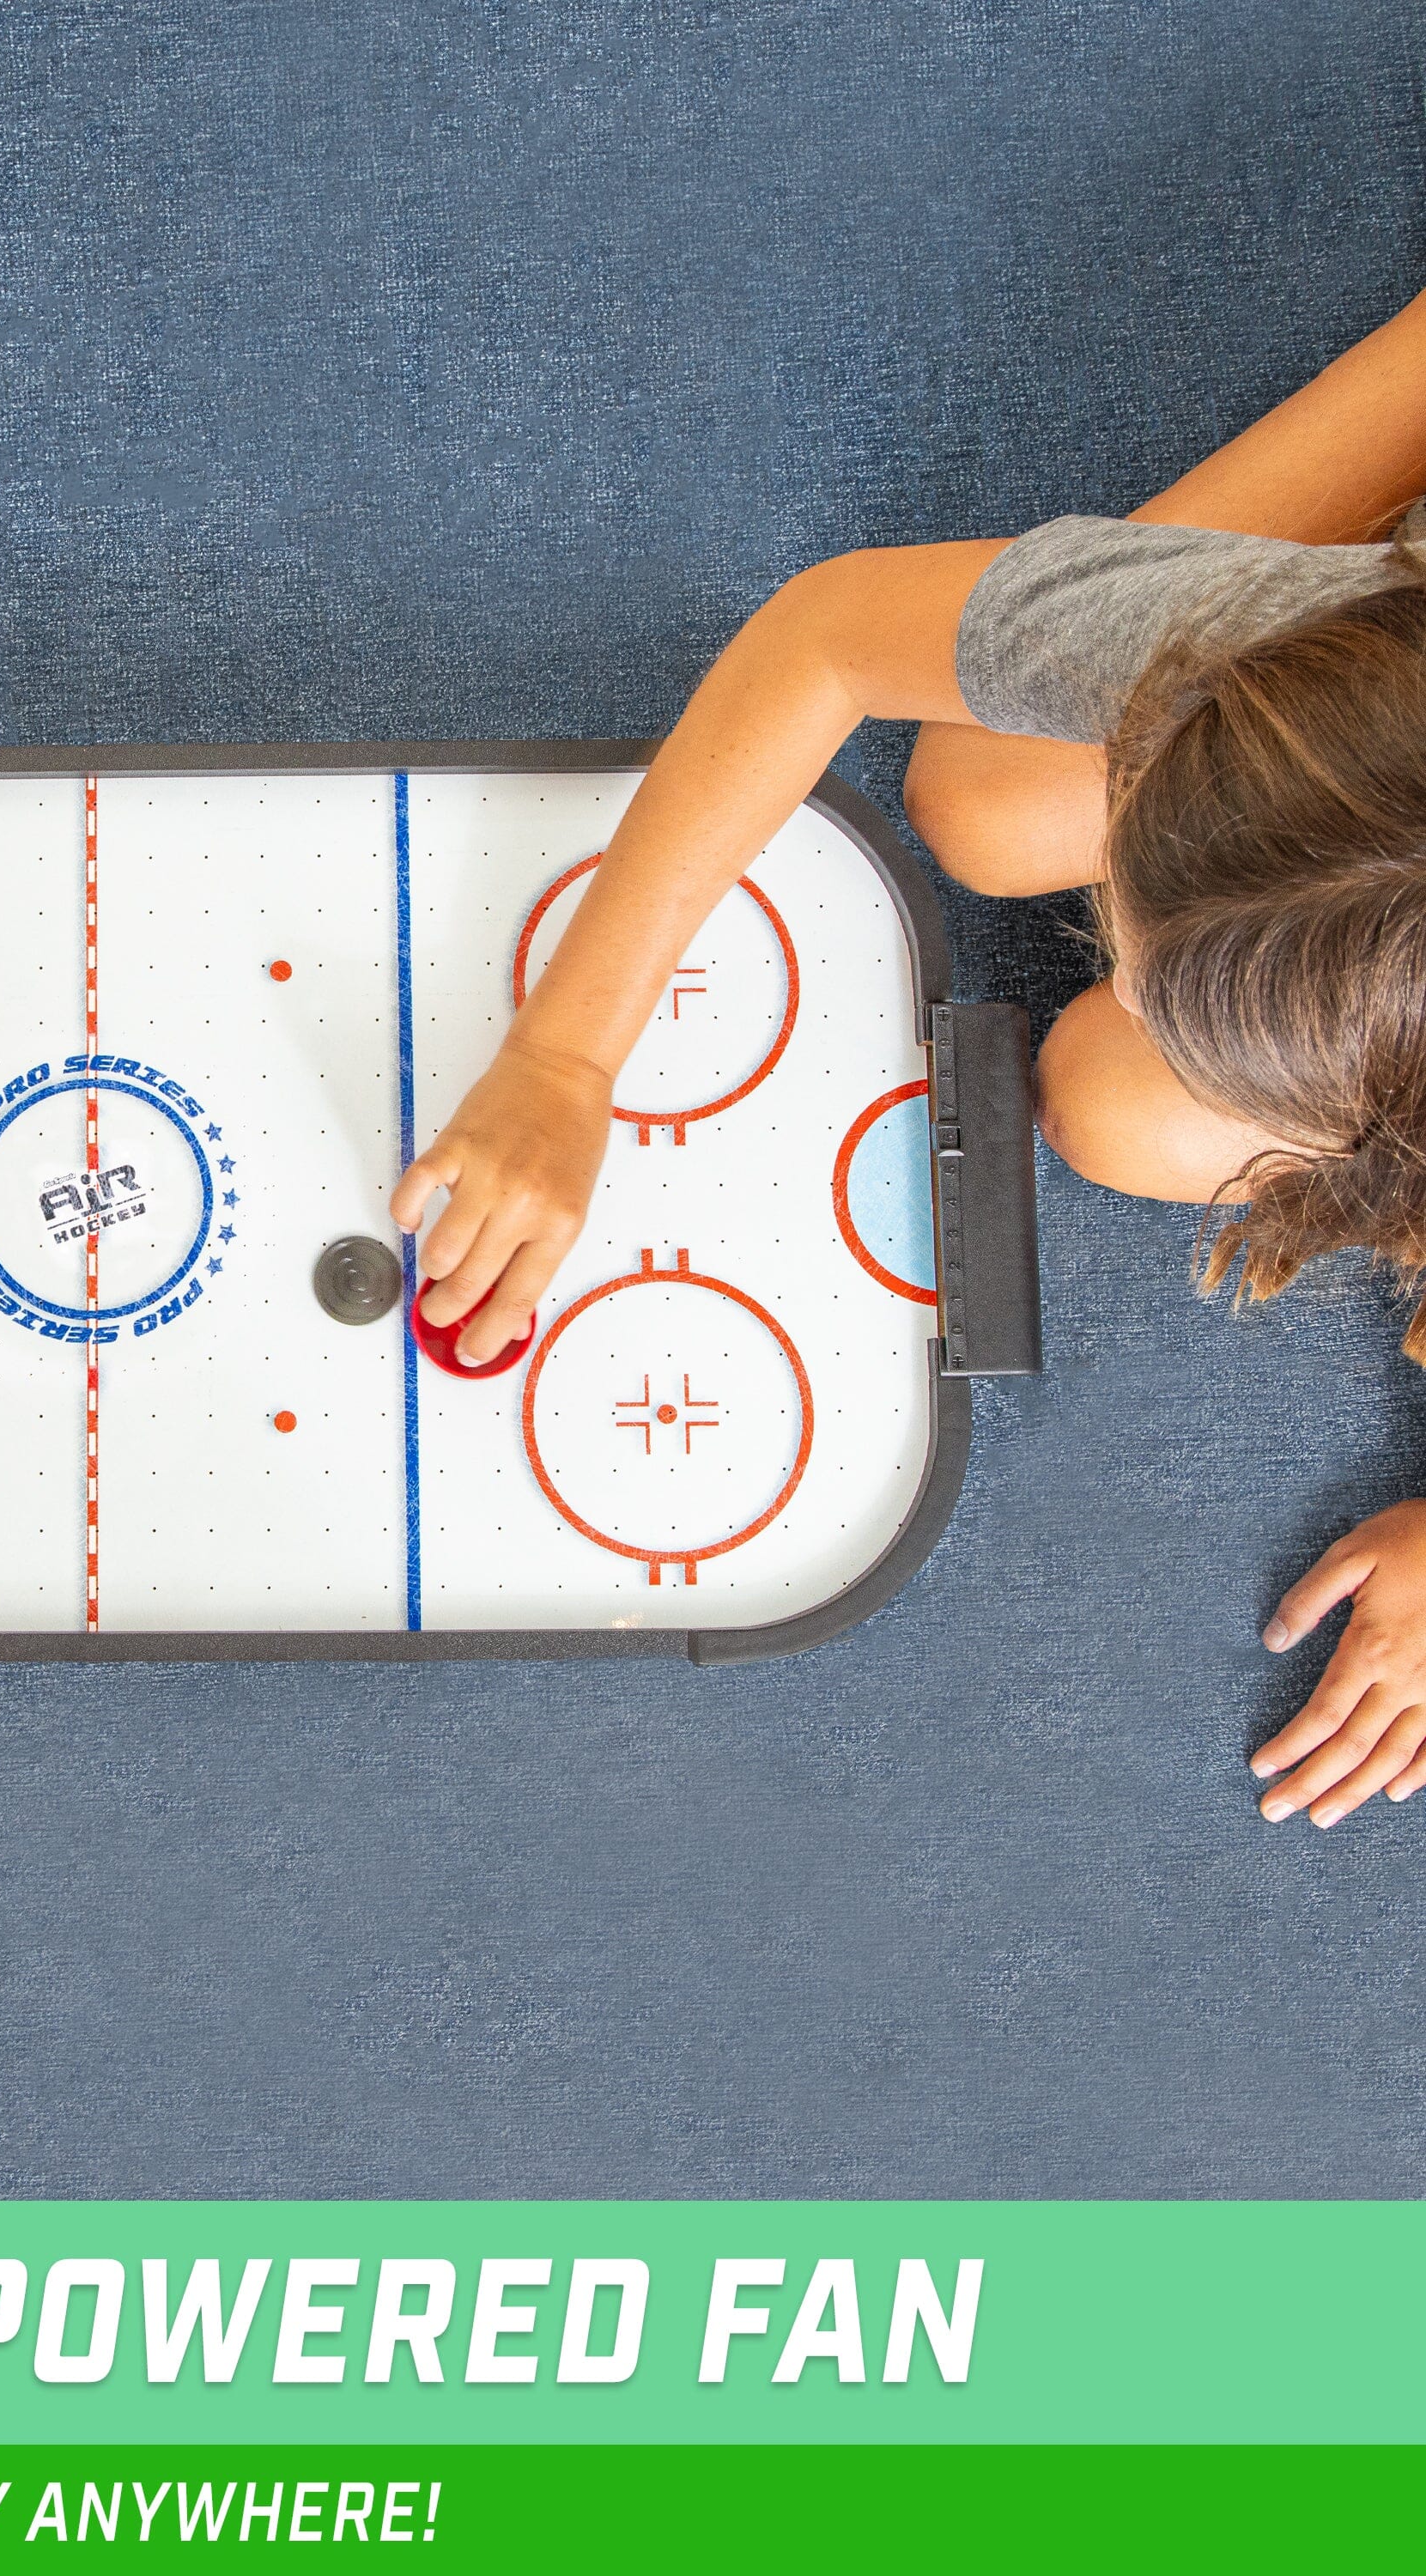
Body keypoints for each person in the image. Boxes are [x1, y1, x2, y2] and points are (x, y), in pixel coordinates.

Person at [391, 282, 1426, 1832]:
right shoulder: (1268, 664)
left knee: (1108, 1108)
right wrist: (566, 1058)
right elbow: (824, 638)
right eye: (1143, 934)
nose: (1116, 980)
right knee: (986, 802)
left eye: (1151, 977)